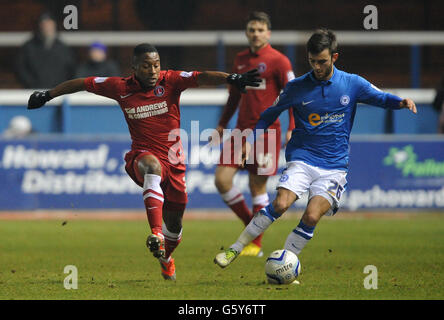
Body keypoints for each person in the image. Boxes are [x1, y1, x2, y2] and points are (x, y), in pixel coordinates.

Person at [27, 43, 261, 281]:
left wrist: (231, 77)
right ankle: (156, 234)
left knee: (176, 227)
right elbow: (82, 83)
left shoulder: (171, 81)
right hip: (141, 156)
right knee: (152, 167)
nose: (153, 71)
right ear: (135, 68)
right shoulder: (119, 87)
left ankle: (165, 257)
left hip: (175, 164)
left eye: (156, 65)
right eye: (146, 66)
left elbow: (202, 77)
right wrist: (48, 94)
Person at [214, 29, 417, 274]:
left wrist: (401, 102)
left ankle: (284, 264)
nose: (317, 67)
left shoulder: (352, 83)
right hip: (303, 158)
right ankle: (235, 248)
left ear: (335, 57)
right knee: (280, 203)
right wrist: (249, 141)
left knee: (311, 215)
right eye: (312, 62)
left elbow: (380, 98)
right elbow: (267, 115)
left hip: (334, 166)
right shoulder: (296, 87)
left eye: (322, 61)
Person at [212, 11, 295, 257]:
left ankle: (255, 244)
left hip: (267, 132)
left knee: (256, 187)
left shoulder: (279, 61)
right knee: (222, 180)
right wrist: (222, 123)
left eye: (260, 30)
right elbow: (234, 96)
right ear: (247, 32)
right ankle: (252, 225)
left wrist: (292, 127)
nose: (256, 34)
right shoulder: (240, 59)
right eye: (252, 29)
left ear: (268, 33)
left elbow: (292, 96)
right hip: (240, 131)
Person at [16, 12, 75, 89]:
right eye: (44, 25)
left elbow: (71, 70)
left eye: (49, 24)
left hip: (57, 93)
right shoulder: (29, 47)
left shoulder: (63, 48)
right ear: (40, 26)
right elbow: (20, 69)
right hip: (34, 92)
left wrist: (61, 87)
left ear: (54, 25)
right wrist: (32, 85)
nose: (47, 27)